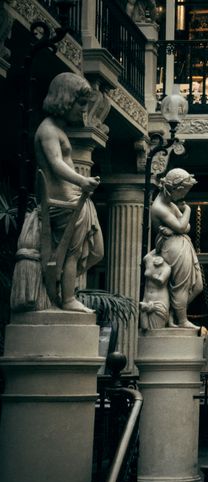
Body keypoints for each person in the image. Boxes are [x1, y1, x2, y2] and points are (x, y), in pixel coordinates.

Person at [34, 72, 104, 313]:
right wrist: (82, 180)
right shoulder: (48, 130)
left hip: (74, 199)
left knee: (96, 251)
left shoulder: (57, 130)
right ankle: (67, 299)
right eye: (81, 103)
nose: (84, 110)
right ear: (65, 99)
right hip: (63, 202)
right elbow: (55, 163)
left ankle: (63, 282)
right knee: (72, 253)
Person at [150, 168, 204, 328]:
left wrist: (176, 228)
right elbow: (182, 226)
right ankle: (182, 320)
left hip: (181, 243)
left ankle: (173, 312)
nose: (184, 196)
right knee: (182, 285)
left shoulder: (170, 204)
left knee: (198, 286)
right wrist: (187, 210)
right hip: (172, 247)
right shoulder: (159, 207)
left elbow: (186, 227)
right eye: (184, 191)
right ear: (175, 189)